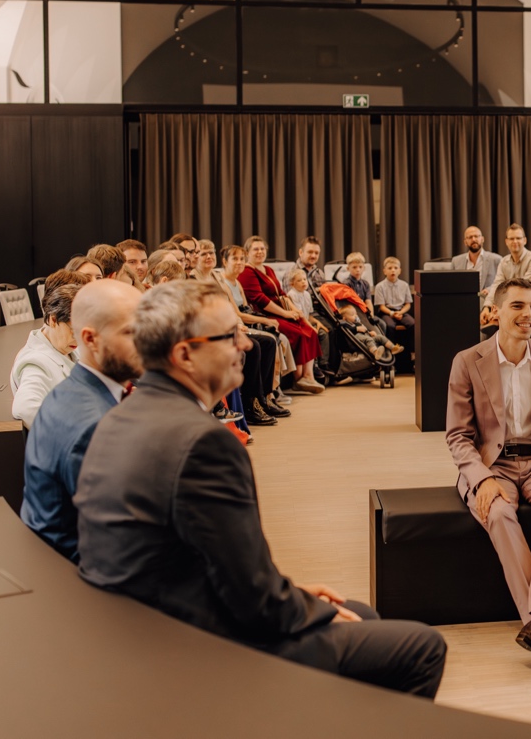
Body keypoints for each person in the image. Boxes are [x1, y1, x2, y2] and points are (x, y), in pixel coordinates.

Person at [74, 282, 447, 695]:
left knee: (358, 614)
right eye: (230, 336)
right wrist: (305, 607)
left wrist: (296, 594)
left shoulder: (123, 415)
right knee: (422, 647)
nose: (247, 346)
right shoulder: (204, 443)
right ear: (184, 355)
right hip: (192, 646)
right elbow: (253, 599)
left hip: (147, 625)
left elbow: (207, 560)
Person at [445, 278, 531, 673]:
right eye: (519, 306)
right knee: (500, 512)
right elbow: (457, 435)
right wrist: (480, 478)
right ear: (495, 312)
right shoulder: (468, 360)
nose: (529, 315)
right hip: (491, 465)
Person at [20, 279, 142, 561]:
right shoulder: (92, 428)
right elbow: (116, 539)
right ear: (90, 339)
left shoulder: (71, 385)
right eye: (129, 332)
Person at [241, 235, 324, 394]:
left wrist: (296, 311)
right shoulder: (247, 272)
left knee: (309, 330)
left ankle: (308, 376)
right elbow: (261, 299)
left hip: (281, 310)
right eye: (255, 249)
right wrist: (286, 314)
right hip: (266, 315)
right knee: (297, 332)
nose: (260, 252)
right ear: (247, 252)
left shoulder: (268, 269)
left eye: (262, 249)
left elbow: (282, 293)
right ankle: (297, 379)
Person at [216, 245, 286, 425]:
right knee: (257, 344)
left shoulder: (237, 282)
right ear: (224, 262)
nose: (239, 263)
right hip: (235, 324)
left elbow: (246, 308)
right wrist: (263, 321)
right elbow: (237, 314)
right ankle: (252, 402)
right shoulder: (222, 282)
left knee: (270, 340)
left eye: (241, 259)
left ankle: (265, 397)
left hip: (243, 322)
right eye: (235, 259)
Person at [11, 275, 88, 427]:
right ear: (53, 320)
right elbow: (25, 408)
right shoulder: (36, 362)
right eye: (73, 330)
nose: (79, 339)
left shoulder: (66, 348)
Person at [491, 223, 531, 295]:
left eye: (518, 238)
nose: (515, 241)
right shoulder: (503, 261)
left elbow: (524, 287)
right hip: (509, 301)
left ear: (525, 240)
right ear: (506, 242)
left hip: (529, 302)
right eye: (511, 238)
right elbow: (497, 286)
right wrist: (487, 305)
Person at [451, 225, 503, 294]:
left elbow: (502, 282)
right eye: (470, 237)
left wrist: (489, 290)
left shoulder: (496, 259)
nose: (473, 239)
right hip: (463, 300)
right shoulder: (456, 261)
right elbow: (452, 284)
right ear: (465, 242)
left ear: (482, 239)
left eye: (476, 236)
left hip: (487, 300)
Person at [374, 257, 414, 339]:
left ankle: (409, 350)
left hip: (401, 311)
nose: (393, 270)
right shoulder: (380, 286)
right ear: (384, 271)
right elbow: (381, 306)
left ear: (399, 271)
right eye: (390, 268)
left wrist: (400, 313)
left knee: (412, 323)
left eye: (395, 268)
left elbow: (408, 304)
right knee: (389, 325)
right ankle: (391, 349)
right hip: (386, 312)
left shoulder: (405, 285)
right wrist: (392, 313)